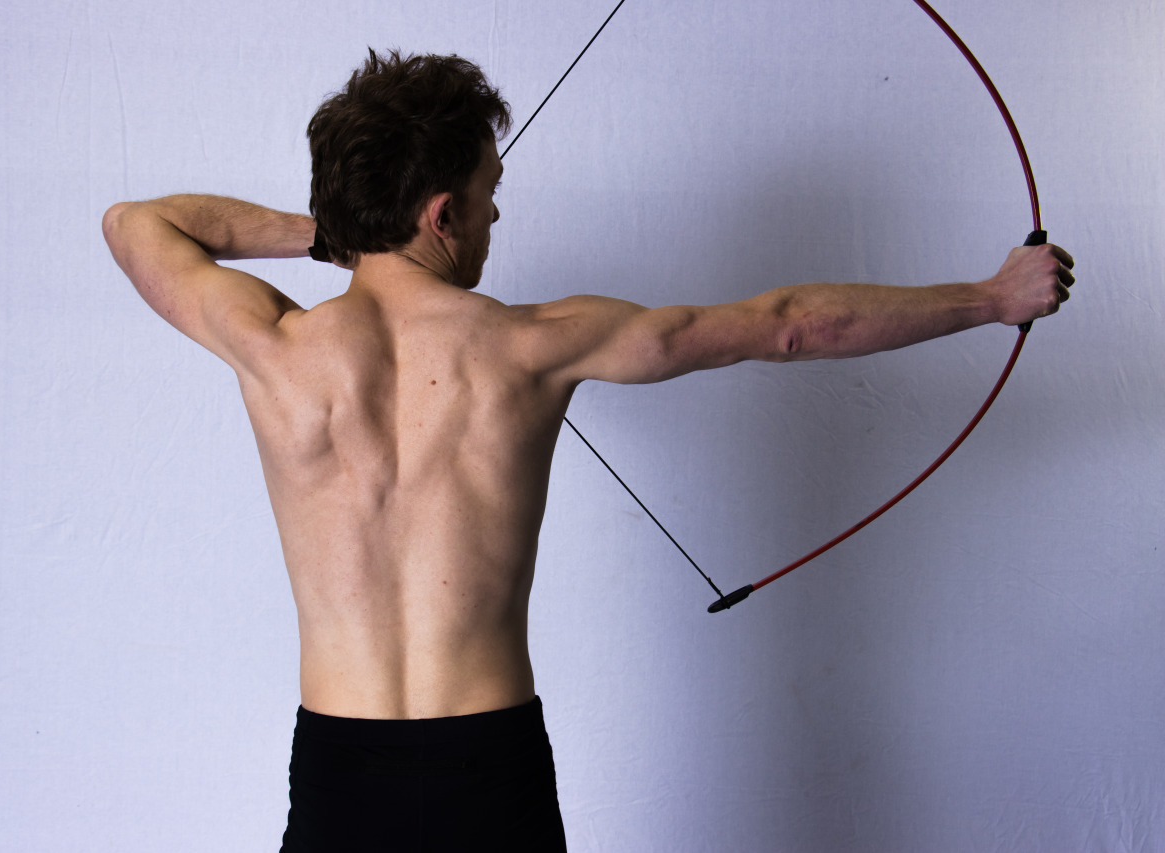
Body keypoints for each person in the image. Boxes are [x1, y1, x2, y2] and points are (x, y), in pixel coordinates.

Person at [102, 49, 1074, 852]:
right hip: (488, 766)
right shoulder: (532, 345)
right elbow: (784, 325)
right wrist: (990, 298)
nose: (494, 214)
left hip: (336, 767)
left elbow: (136, 223)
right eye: (484, 194)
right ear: (439, 213)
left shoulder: (272, 346)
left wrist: (345, 234)